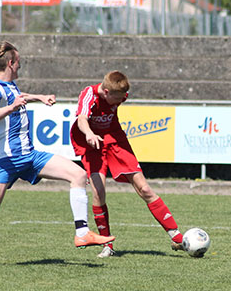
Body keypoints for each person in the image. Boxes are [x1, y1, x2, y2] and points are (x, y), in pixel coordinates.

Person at [0, 41, 114, 267]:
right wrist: (11, 107)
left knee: (78, 175)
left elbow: (20, 96)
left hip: (29, 156)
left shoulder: (10, 86)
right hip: (6, 162)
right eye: (19, 62)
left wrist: (39, 97)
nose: (20, 66)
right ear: (10, 63)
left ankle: (82, 233)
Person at [70, 70, 183, 258]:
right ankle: (107, 244)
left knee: (145, 189)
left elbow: (119, 96)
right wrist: (89, 134)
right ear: (106, 92)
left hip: (115, 140)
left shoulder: (120, 94)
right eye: (117, 98)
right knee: (99, 192)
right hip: (91, 144)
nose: (120, 101)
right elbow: (81, 119)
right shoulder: (89, 94)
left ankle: (177, 237)